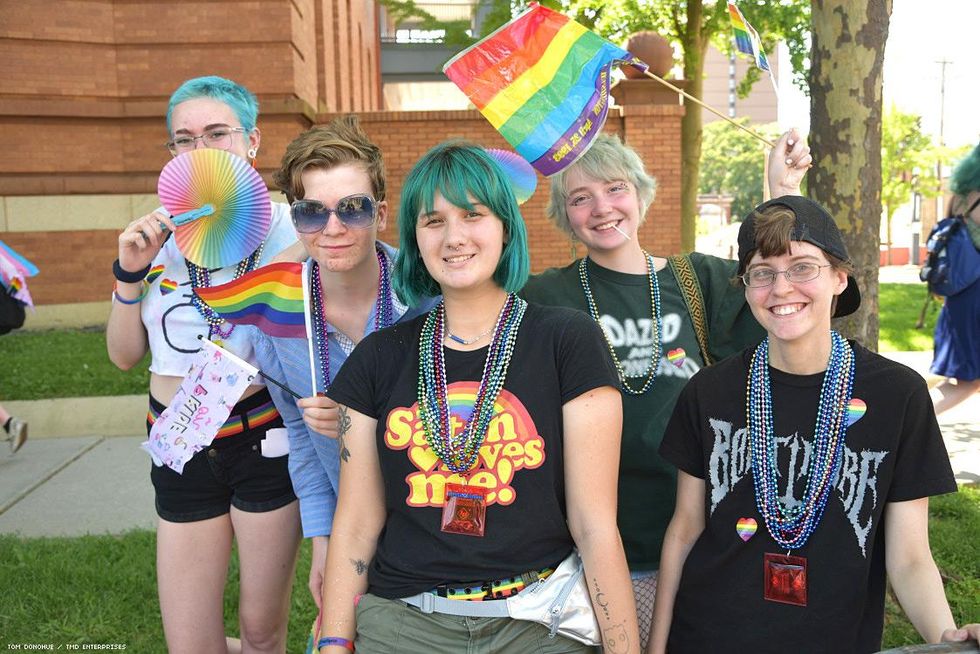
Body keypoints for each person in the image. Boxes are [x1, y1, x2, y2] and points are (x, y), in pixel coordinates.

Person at [317, 142, 640, 653]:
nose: (454, 237)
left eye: (473, 215)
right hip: (406, 623)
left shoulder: (566, 341)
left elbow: (595, 524)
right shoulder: (379, 358)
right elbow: (356, 524)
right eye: (433, 221)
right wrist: (334, 642)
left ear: (506, 227)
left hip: (538, 622)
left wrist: (624, 649)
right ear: (414, 238)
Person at [649, 196, 980, 653]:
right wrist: (656, 646)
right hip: (710, 636)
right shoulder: (710, 391)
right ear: (747, 287)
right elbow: (685, 530)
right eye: (762, 273)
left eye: (803, 267)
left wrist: (948, 639)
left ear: (840, 278)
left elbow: (909, 557)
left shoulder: (897, 395)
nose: (781, 288)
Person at [520, 129, 810, 645]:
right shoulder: (545, 295)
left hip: (699, 540)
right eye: (580, 198)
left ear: (640, 193)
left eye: (614, 189)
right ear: (565, 216)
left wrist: (779, 193)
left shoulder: (699, 280)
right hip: (583, 549)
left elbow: (781, 282)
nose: (601, 208)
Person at [106, 75, 301, 653]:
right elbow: (122, 356)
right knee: (190, 642)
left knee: (262, 633)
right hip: (177, 441)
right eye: (184, 139)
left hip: (263, 439)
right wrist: (127, 273)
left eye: (217, 133)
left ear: (251, 142)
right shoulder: (155, 235)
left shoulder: (292, 226)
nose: (199, 150)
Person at [250, 116, 435, 609]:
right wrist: (323, 542)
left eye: (352, 209)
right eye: (312, 212)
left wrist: (367, 419)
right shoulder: (276, 321)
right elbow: (303, 443)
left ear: (380, 210)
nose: (332, 229)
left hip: (441, 524)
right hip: (350, 532)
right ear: (295, 219)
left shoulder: (429, 301)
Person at [930, 141, 980, 414]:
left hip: (961, 299)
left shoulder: (961, 196)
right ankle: (901, 422)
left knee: (964, 380)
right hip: (974, 298)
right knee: (967, 382)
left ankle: (901, 410)